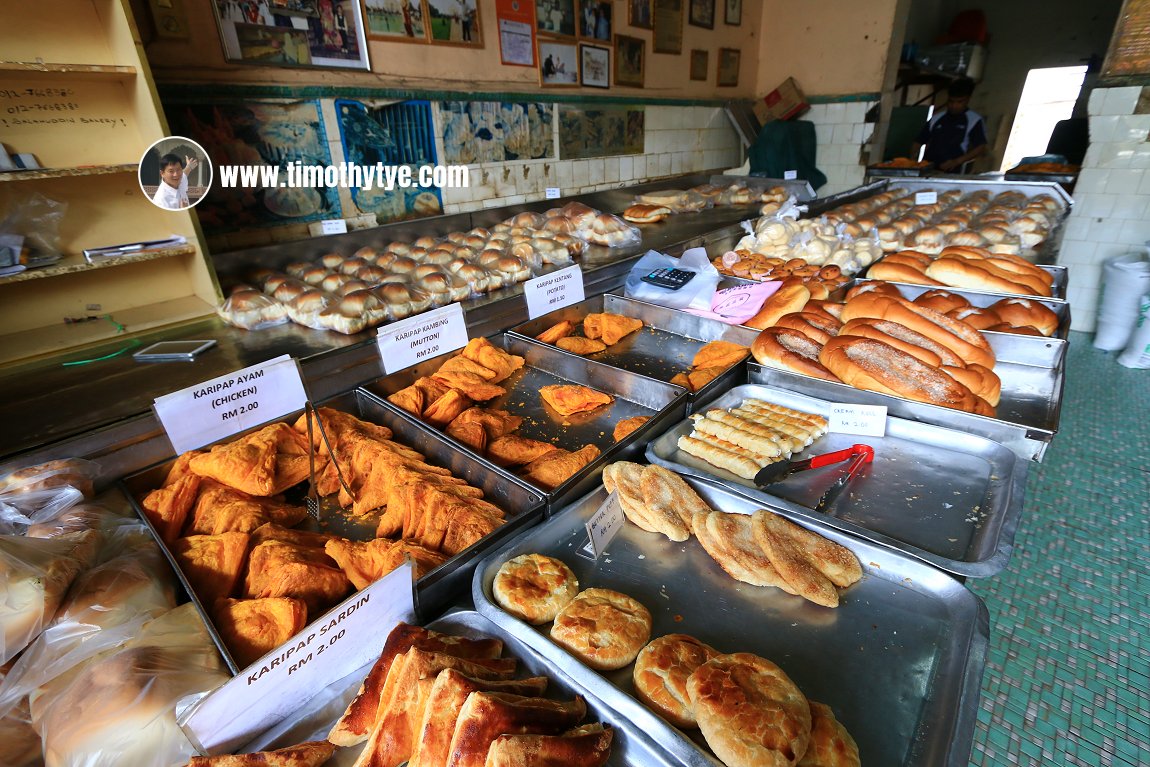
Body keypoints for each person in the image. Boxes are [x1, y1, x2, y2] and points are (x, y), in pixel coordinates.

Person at [911, 78, 988, 173]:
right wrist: (912, 161)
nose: (954, 106)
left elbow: (980, 147)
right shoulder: (936, 118)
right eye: (951, 101)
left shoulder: (974, 120)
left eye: (959, 102)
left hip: (952, 172)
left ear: (968, 100)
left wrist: (956, 162)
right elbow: (918, 141)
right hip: (927, 169)